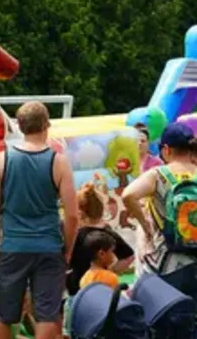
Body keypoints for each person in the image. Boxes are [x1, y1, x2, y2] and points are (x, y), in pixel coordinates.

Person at [0, 101, 78, 339]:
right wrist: (68, 248)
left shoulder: (3, 160)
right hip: (48, 246)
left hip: (12, 247)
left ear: (19, 126)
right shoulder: (57, 161)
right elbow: (72, 215)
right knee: (47, 313)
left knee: (3, 314)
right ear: (47, 125)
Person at [123, 123, 197, 280]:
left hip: (168, 262)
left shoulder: (157, 175)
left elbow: (128, 195)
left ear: (166, 149)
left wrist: (145, 226)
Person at [67, 186, 133, 295]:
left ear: (79, 212)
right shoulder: (108, 232)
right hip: (102, 289)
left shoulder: (75, 235)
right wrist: (111, 271)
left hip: (78, 291)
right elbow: (129, 257)